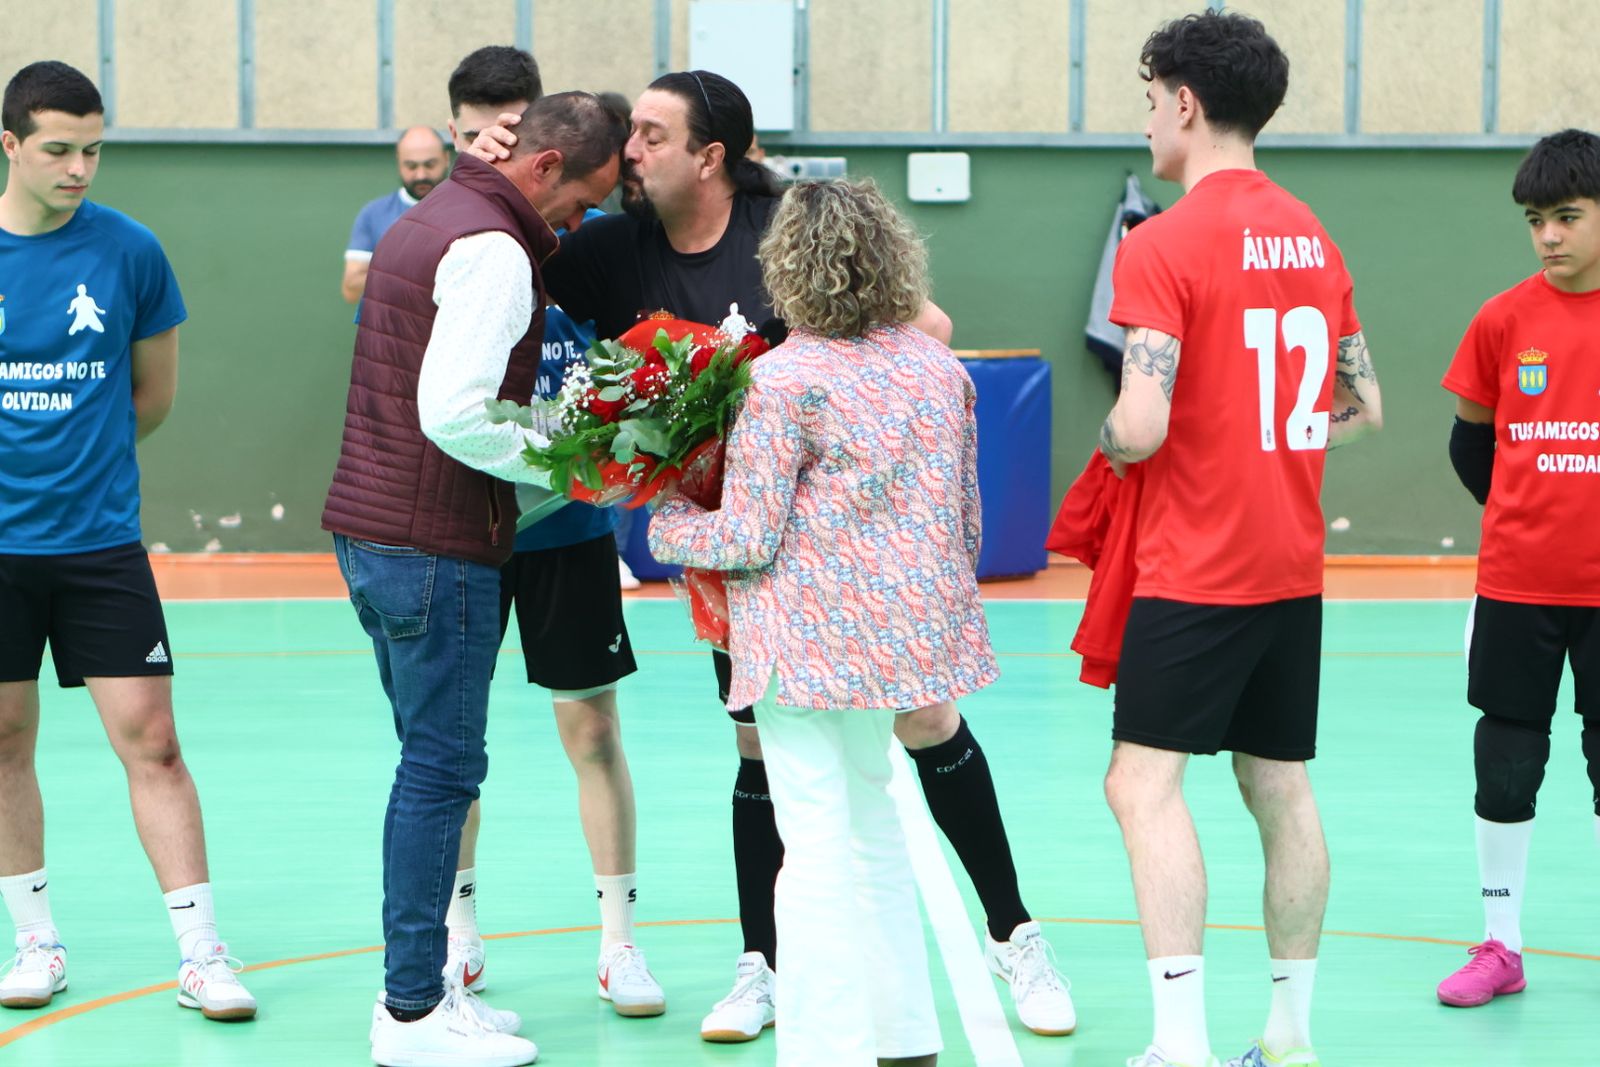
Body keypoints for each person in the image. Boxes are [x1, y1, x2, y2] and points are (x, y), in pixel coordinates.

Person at [473, 67, 1074, 1044]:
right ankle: (763, 963)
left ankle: (1013, 933)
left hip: (832, 541)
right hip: (744, 551)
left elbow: (928, 330)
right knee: (756, 740)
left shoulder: (779, 229)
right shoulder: (611, 247)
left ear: (711, 156)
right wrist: (489, 166)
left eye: (652, 135)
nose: (630, 149)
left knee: (924, 719)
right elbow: (499, 251)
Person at [1093, 13, 1382, 1067]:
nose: (1147, 122)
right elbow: (1363, 406)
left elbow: (1140, 424)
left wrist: (1110, 445)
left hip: (1197, 566)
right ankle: (1290, 1034)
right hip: (1288, 564)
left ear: (1184, 102)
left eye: (1148, 102)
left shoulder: (1162, 242)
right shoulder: (1313, 234)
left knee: (1141, 784)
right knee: (1278, 784)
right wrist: (1266, 441)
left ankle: (1179, 1044)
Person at [322, 91, 624, 1067]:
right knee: (439, 772)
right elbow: (454, 413)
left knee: (428, 765)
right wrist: (572, 461)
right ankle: (412, 1010)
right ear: (544, 168)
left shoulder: (434, 215)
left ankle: (427, 992)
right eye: (583, 201)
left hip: (373, 534)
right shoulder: (495, 251)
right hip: (433, 542)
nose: (579, 223)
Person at [649, 176, 976, 1067]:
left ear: (787, 267)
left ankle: (826, 1049)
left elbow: (746, 537)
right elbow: (966, 521)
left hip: (799, 650)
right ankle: (903, 1036)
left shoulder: (781, 381)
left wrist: (666, 521)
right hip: (900, 645)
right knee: (873, 828)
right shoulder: (937, 369)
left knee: (815, 849)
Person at [0, 60, 257, 1021]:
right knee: (3, 739)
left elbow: (152, 397)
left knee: (154, 740)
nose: (79, 168)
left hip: (99, 542)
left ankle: (202, 954)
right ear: (11, 145)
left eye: (93, 150)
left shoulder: (130, 251)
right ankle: (35, 941)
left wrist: (82, 461)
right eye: (58, 149)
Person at [438, 54, 664, 1017]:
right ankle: (457, 933)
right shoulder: (448, 230)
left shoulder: (584, 237)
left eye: (510, 127)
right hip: (468, 528)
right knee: (449, 744)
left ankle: (619, 943)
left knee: (594, 729)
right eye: (476, 131)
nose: (494, 144)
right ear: (458, 135)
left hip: (568, 526)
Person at [1436, 128, 1600, 1009]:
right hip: (1516, 586)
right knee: (1506, 763)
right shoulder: (1503, 320)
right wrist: (1526, 515)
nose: (1549, 236)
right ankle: (1502, 945)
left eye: (1567, 216)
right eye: (1536, 220)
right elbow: (1471, 445)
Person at [341, 125, 450, 302]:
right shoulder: (374, 214)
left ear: (446, 159)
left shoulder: (469, 210)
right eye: (411, 166)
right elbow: (351, 288)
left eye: (430, 165)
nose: (421, 175)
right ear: (399, 162)